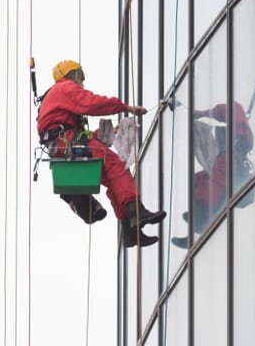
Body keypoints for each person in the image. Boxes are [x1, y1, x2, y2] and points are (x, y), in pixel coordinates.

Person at [37, 60, 165, 247]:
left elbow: (77, 133)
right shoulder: (65, 88)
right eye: (80, 75)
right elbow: (91, 104)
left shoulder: (58, 97)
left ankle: (130, 230)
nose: (82, 81)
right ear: (70, 74)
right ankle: (137, 212)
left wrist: (109, 131)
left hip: (65, 142)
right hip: (66, 142)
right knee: (115, 166)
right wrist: (125, 107)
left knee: (114, 179)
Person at [170, 101, 255, 248]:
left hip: (231, 166)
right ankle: (196, 223)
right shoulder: (233, 141)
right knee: (200, 179)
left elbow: (224, 111)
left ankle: (201, 217)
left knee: (213, 183)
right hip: (229, 166)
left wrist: (203, 113)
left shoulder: (240, 134)